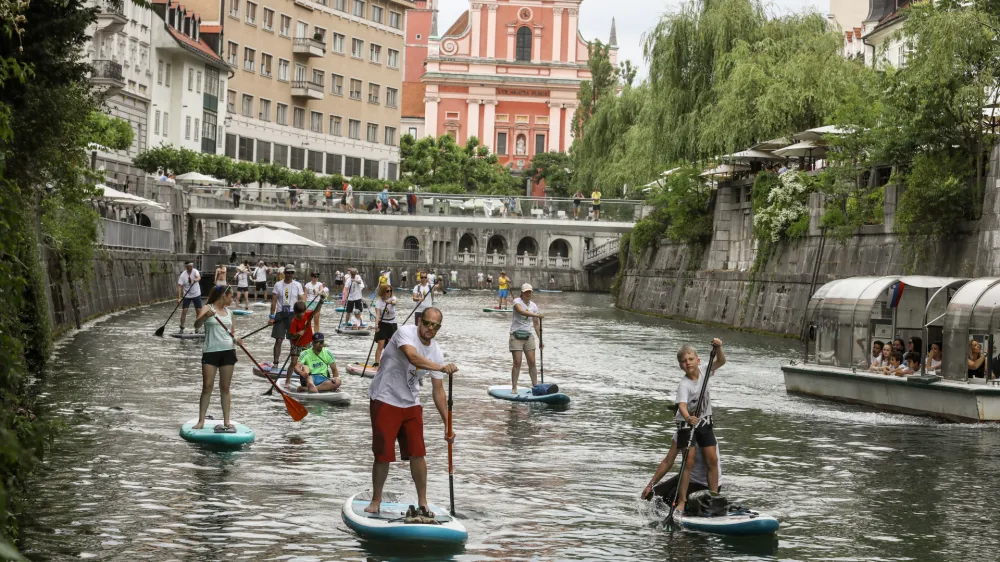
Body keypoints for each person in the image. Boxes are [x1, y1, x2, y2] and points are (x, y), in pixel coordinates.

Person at [364, 307, 458, 516]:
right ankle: (376, 500)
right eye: (427, 323)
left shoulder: (436, 351)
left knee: (418, 453)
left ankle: (423, 502)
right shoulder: (405, 333)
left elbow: (439, 391)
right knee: (383, 455)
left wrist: (447, 425)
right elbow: (412, 357)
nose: (429, 328)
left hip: (411, 402)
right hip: (385, 398)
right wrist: (440, 368)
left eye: (435, 326)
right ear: (419, 321)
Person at [674, 339, 726, 514]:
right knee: (688, 462)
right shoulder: (684, 384)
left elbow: (721, 361)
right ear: (681, 366)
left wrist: (718, 348)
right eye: (684, 361)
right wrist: (689, 418)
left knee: (713, 460)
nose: (687, 363)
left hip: (704, 423)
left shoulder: (705, 371)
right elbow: (681, 405)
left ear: (698, 360)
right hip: (687, 425)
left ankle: (713, 498)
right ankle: (682, 501)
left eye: (690, 359)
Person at [191, 285, 242, 432]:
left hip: (228, 351)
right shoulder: (207, 308)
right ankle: (201, 421)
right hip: (210, 351)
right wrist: (204, 316)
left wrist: (237, 339)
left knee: (225, 388)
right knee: (207, 387)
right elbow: (196, 325)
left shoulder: (230, 312)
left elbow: (232, 333)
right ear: (223, 296)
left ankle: (227, 421)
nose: (232, 299)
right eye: (231, 296)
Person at [642, 437, 722, 506]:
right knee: (654, 495)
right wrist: (650, 485)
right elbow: (667, 461)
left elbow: (712, 465)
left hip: (704, 483)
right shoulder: (679, 434)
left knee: (671, 496)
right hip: (687, 477)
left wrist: (713, 495)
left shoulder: (707, 436)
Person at [509, 284, 544, 394]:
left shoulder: (534, 306)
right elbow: (521, 312)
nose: (528, 294)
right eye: (526, 292)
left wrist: (541, 340)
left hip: (528, 336)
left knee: (532, 362)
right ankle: (514, 387)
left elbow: (536, 325)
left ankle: (535, 386)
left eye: (530, 292)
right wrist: (536, 315)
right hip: (516, 336)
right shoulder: (516, 302)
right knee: (517, 362)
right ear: (522, 293)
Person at [269, 264, 305, 364]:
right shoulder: (277, 285)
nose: (289, 274)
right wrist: (271, 317)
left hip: (293, 315)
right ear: (284, 273)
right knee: (279, 339)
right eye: (288, 272)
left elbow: (302, 301)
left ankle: (294, 364)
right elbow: (273, 301)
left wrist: (302, 317)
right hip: (280, 314)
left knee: (293, 340)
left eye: (291, 273)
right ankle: (276, 362)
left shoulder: (297, 285)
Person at [285, 298, 323, 385]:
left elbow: (317, 310)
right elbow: (292, 335)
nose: (302, 315)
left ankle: (310, 380)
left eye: (303, 313)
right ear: (296, 313)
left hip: (307, 343)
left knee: (308, 363)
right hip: (296, 344)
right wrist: (298, 333)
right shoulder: (294, 321)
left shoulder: (308, 315)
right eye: (299, 314)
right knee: (294, 362)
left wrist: (321, 301)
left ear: (305, 311)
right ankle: (287, 381)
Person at [373, 284, 398, 366]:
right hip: (382, 324)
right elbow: (377, 315)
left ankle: (391, 363)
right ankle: (377, 363)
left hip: (392, 324)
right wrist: (376, 325)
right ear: (383, 292)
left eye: (390, 291)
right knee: (381, 344)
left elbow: (395, 302)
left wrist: (389, 302)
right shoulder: (378, 302)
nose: (389, 293)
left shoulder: (392, 298)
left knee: (392, 346)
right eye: (387, 291)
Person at [177, 261, 203, 333]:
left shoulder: (195, 271)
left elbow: (199, 277)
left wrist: (196, 280)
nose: (191, 267)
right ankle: (182, 327)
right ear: (186, 267)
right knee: (184, 310)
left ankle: (197, 327)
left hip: (196, 294)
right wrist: (178, 298)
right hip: (187, 295)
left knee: (198, 310)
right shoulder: (183, 275)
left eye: (192, 266)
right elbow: (179, 287)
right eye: (189, 266)